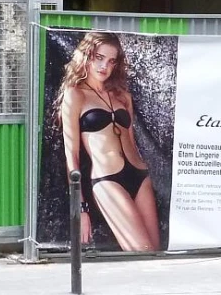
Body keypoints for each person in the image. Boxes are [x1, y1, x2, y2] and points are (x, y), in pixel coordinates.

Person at [54, 31, 160, 252]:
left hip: (139, 176)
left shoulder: (122, 96)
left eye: (111, 61)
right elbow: (71, 154)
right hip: (107, 180)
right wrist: (80, 207)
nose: (104, 66)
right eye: (99, 58)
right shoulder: (76, 95)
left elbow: (131, 140)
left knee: (156, 253)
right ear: (86, 56)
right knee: (143, 252)